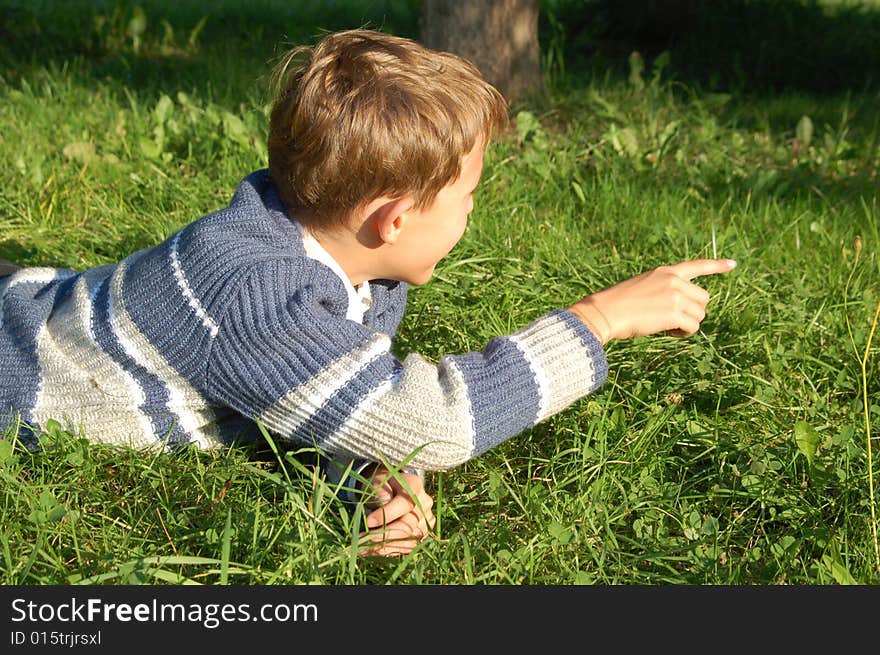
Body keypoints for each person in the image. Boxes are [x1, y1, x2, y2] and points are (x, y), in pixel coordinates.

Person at [0, 29, 735, 557]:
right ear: (393, 218)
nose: (475, 211)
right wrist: (598, 317)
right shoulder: (253, 297)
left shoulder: (352, 267)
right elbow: (431, 415)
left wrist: (383, 470)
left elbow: (353, 389)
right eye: (469, 196)